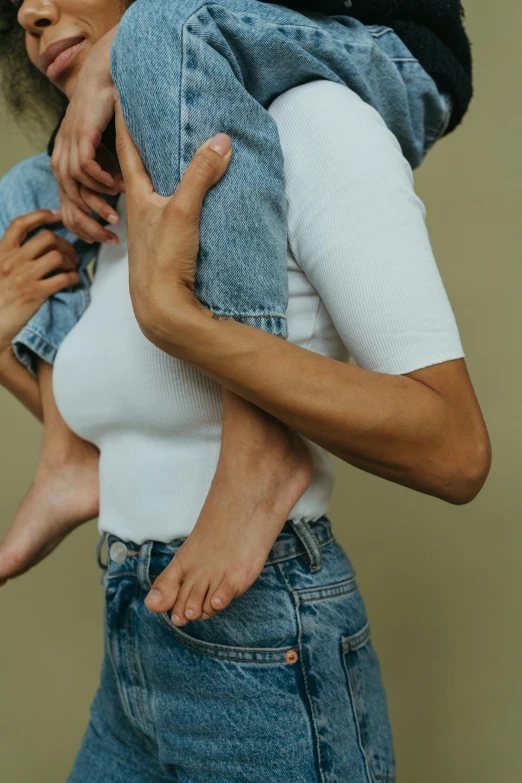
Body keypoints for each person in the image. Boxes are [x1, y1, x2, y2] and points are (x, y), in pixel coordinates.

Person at [0, 1, 490, 778]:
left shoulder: (312, 122)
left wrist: (180, 323)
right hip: (136, 629)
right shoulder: (102, 191)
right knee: (24, 188)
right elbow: (142, 440)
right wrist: (6, 347)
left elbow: (458, 451)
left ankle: (260, 456)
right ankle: (60, 463)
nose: (31, 11)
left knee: (162, 37)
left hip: (261, 640)